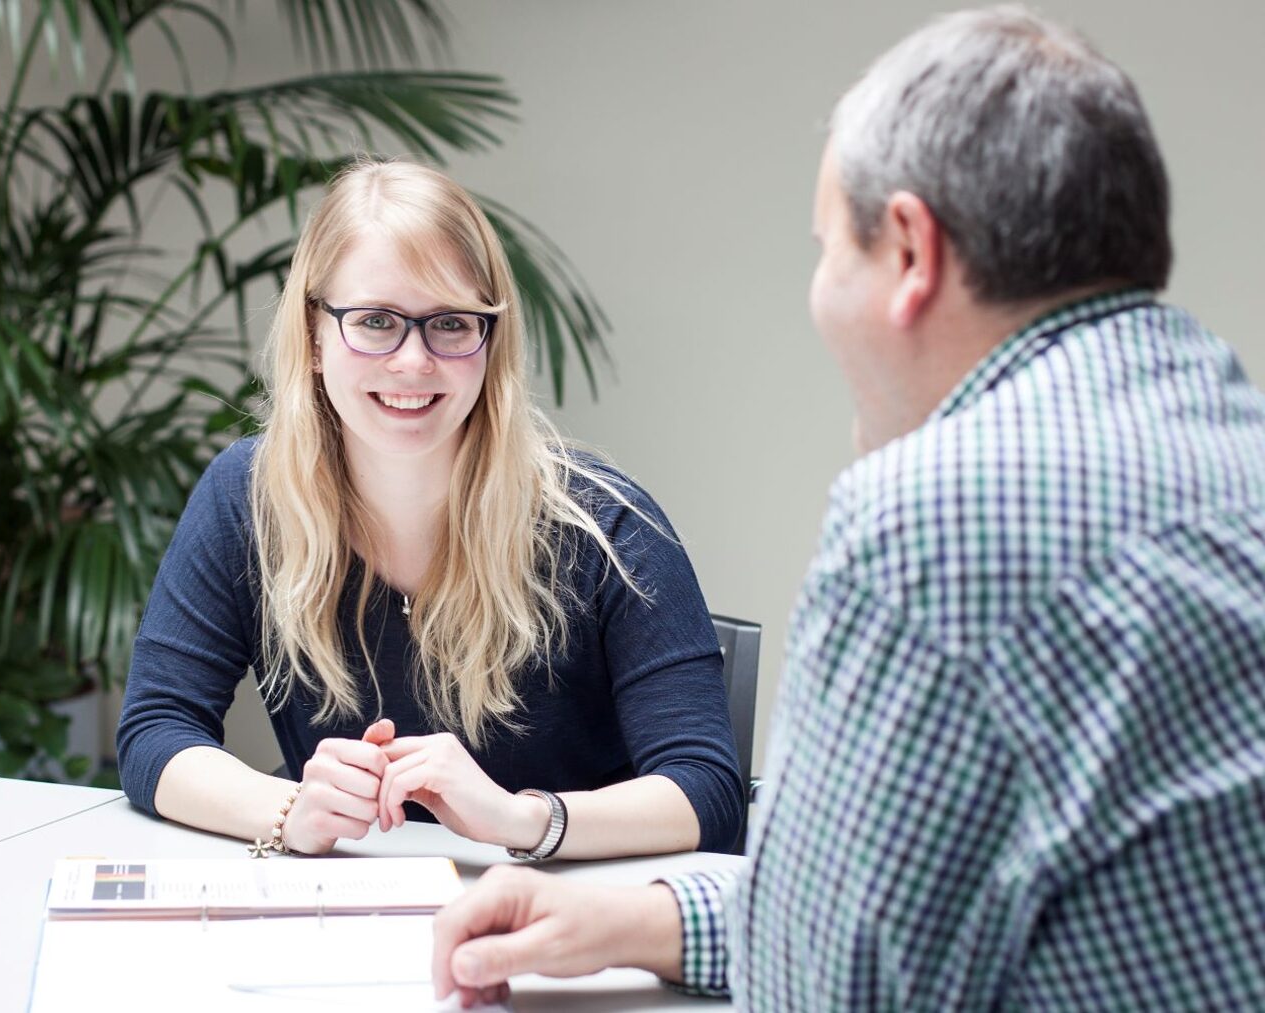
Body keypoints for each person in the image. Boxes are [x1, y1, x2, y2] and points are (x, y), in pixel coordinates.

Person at [431, 7, 1265, 1009]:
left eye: (829, 250)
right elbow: (906, 899)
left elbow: (822, 986)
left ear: (909, 249)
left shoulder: (933, 518)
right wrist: (639, 918)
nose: (818, 290)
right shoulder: (1225, 440)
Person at [116, 161, 745, 861]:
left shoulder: (608, 526)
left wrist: (518, 819)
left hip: (562, 929)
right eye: (376, 321)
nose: (414, 361)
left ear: (490, 341)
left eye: (450, 323)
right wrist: (291, 807)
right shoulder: (247, 496)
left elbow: (706, 789)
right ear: (315, 334)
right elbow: (155, 728)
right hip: (340, 916)